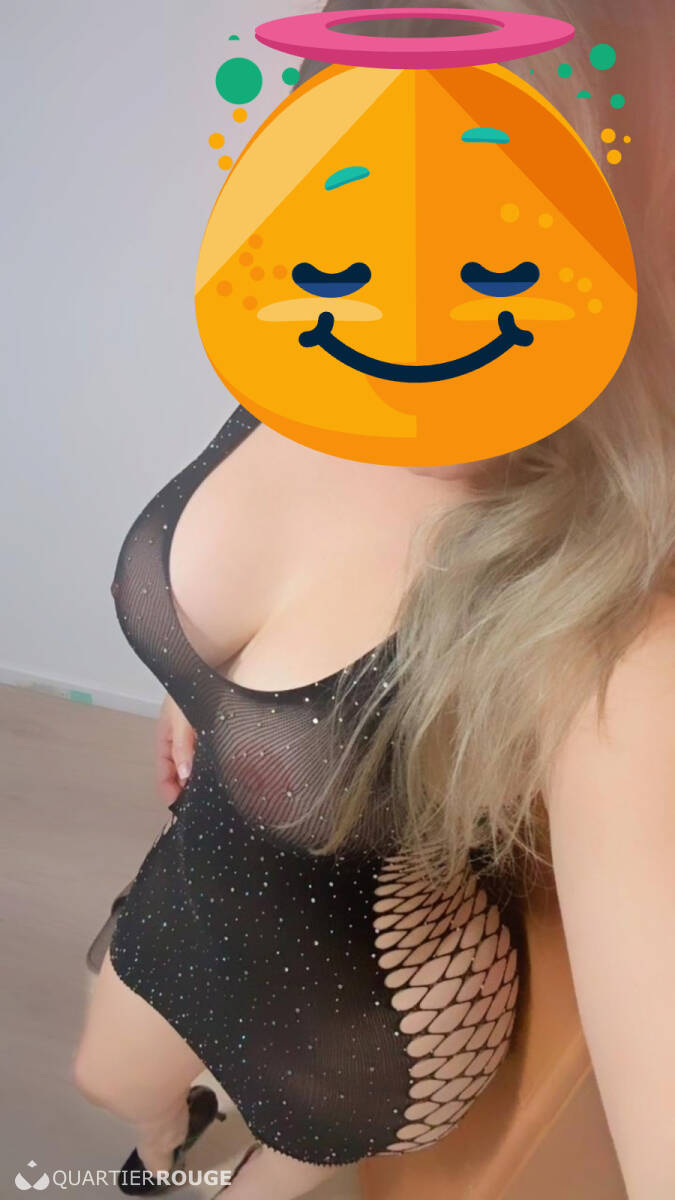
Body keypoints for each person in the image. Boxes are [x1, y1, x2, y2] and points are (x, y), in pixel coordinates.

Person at [72, 3, 675, 1198]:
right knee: (109, 1081)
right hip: (204, 878)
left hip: (370, 1020)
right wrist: (204, 690)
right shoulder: (305, 354)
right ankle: (167, 1143)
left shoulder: (619, 634)